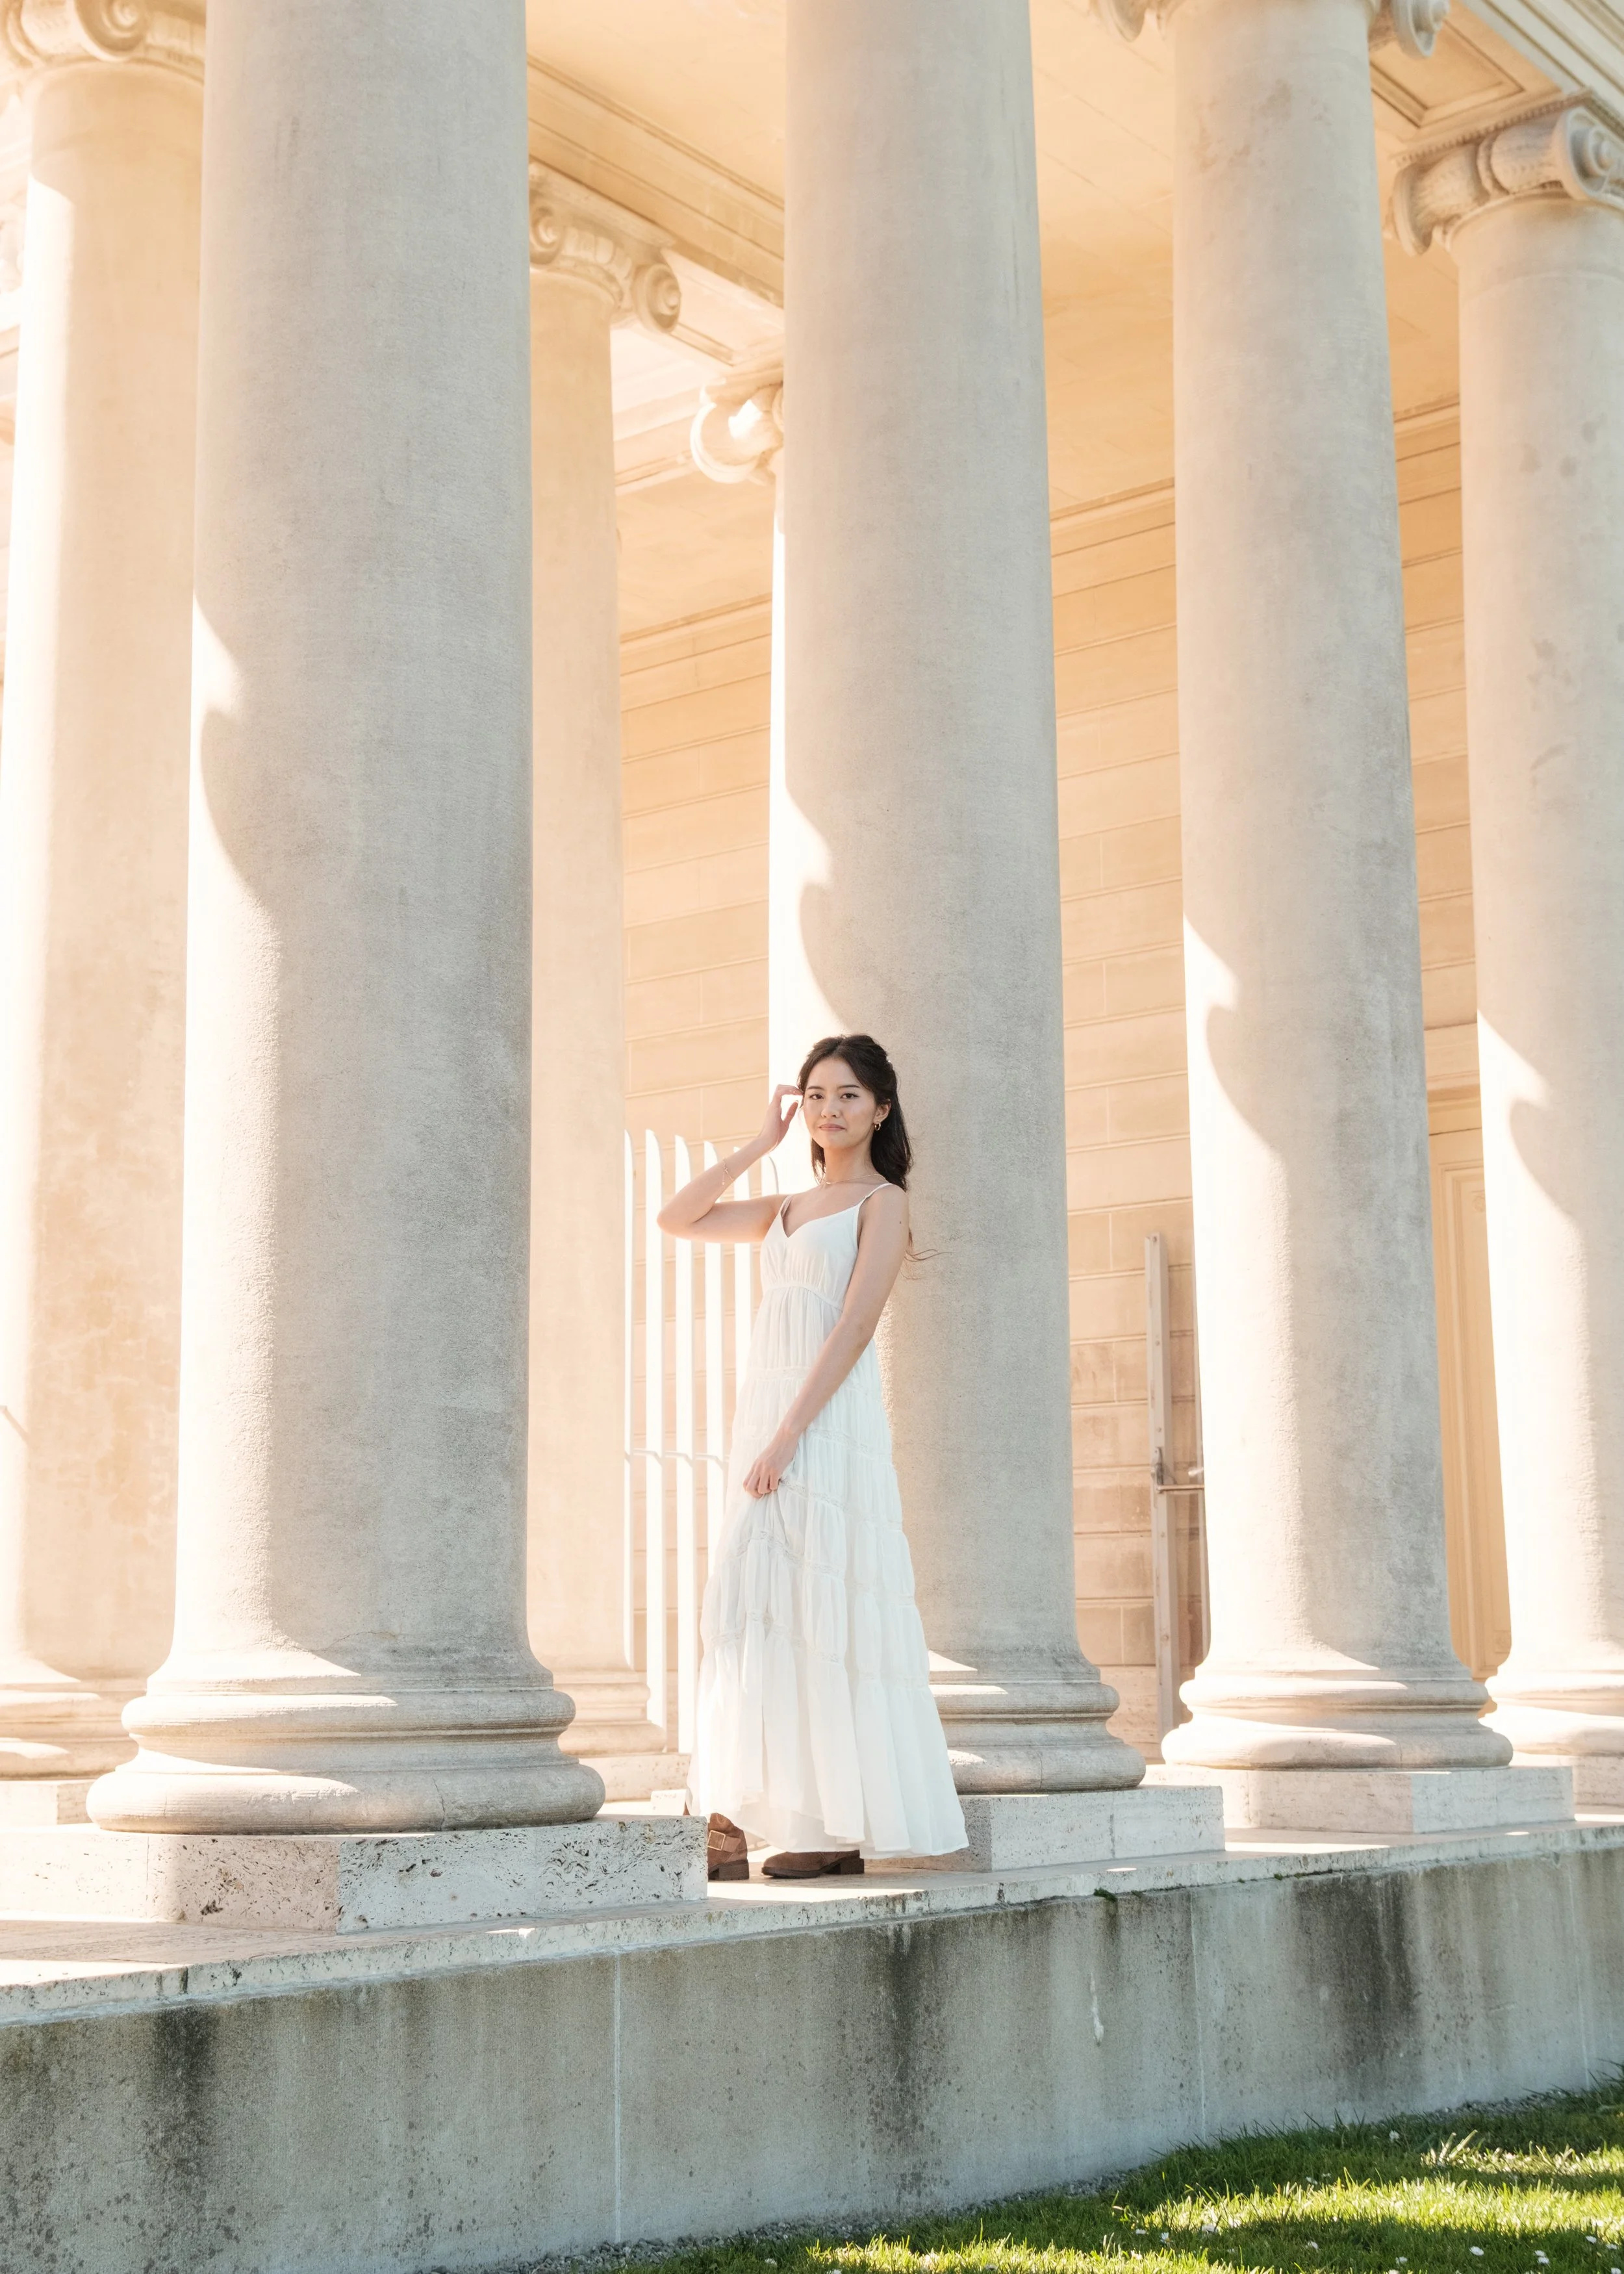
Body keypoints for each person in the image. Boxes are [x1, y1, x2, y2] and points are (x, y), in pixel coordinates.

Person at [657, 1034, 967, 1881]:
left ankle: (834, 1827)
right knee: (751, 1603)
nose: (831, 1110)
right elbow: (675, 1217)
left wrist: (792, 1432)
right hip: (768, 1416)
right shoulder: (787, 1204)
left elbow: (856, 1326)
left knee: (824, 1605)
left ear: (881, 1108)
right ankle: (738, 1812)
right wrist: (758, 1146)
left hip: (822, 1425)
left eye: (849, 1096)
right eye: (818, 1095)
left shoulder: (882, 1203)